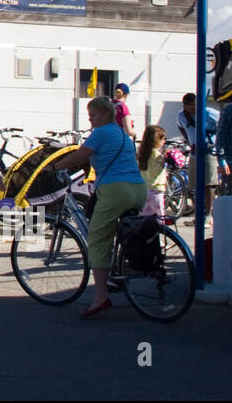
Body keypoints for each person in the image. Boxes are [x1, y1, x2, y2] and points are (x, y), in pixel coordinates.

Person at [49, 96, 146, 317]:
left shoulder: (100, 133)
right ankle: (119, 267)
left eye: (92, 115)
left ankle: (101, 296)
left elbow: (79, 156)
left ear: (103, 114)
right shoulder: (121, 133)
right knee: (122, 231)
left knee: (97, 240)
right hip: (138, 189)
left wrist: (54, 167)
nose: (90, 119)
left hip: (115, 190)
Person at [177, 92, 221, 220]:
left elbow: (223, 121)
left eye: (193, 105)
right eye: (188, 105)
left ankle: (209, 212)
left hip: (209, 151)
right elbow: (181, 127)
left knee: (209, 182)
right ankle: (197, 210)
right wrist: (189, 142)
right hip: (194, 152)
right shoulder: (181, 116)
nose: (191, 108)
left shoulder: (209, 112)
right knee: (192, 184)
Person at [138, 124, 167, 217]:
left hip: (144, 190)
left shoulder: (141, 153)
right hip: (156, 189)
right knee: (160, 219)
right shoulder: (157, 155)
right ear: (158, 140)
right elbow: (158, 171)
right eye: (163, 139)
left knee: (145, 218)